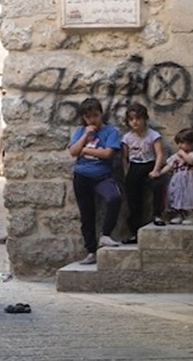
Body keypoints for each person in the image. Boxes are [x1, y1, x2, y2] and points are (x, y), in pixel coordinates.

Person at [68, 97, 123, 265]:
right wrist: (85, 136)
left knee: (114, 198)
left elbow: (108, 154)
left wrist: (83, 150)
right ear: (84, 118)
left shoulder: (110, 132)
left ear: (101, 114)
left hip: (102, 176)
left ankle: (105, 235)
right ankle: (91, 251)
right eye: (88, 117)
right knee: (87, 214)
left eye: (96, 115)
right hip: (82, 176)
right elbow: (73, 151)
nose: (93, 120)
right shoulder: (80, 131)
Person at [120, 103, 167, 242]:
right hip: (135, 166)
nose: (135, 122)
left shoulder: (153, 135)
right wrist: (126, 172)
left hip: (150, 165)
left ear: (144, 119)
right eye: (131, 119)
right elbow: (125, 157)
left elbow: (159, 154)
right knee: (133, 200)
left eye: (138, 118)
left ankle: (157, 215)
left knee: (158, 186)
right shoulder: (127, 138)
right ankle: (134, 231)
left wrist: (156, 170)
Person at [158, 127, 193, 225]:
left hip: (190, 180)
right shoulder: (176, 156)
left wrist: (183, 154)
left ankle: (190, 215)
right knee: (177, 196)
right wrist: (159, 173)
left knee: (189, 197)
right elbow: (169, 166)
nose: (180, 146)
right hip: (178, 179)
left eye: (183, 143)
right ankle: (179, 215)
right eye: (179, 143)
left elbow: (191, 161)